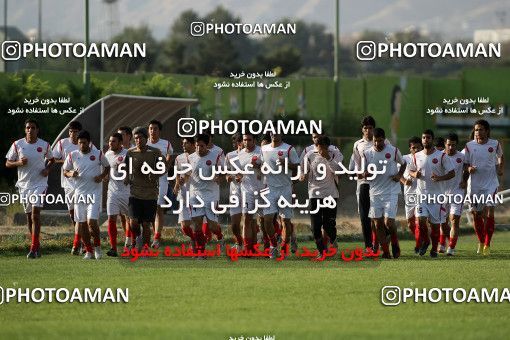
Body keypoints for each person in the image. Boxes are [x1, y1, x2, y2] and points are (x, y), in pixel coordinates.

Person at [5, 119, 54, 259]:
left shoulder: (44, 145)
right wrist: (19, 162)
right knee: (29, 217)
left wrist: (47, 170)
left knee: (35, 214)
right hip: (23, 185)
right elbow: (8, 163)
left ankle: (33, 248)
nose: (30, 130)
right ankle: (36, 245)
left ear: (37, 130)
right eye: (28, 128)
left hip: (40, 183)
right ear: (25, 130)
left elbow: (52, 160)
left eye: (33, 128)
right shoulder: (17, 144)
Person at [63, 130, 110, 260]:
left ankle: (98, 248)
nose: (82, 145)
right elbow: (65, 171)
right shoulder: (72, 155)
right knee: (82, 223)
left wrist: (101, 176)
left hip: (94, 193)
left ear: (89, 143)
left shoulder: (98, 154)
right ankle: (88, 251)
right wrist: (71, 174)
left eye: (84, 142)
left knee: (92, 222)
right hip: (79, 194)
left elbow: (107, 167)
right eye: (80, 143)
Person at [408, 129, 455, 258]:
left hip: (436, 196)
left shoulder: (441, 156)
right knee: (421, 221)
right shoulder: (416, 156)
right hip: (421, 195)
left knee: (435, 227)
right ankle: (426, 241)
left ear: (432, 140)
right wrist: (414, 174)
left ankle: (434, 249)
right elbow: (410, 170)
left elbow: (452, 173)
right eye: (424, 138)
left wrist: (439, 178)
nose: (425, 140)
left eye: (428, 138)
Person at [363, 128, 406, 259]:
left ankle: (395, 244)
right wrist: (366, 173)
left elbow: (403, 163)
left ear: (384, 139)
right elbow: (364, 172)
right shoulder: (367, 153)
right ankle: (386, 252)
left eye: (380, 141)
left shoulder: (393, 151)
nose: (377, 144)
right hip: (375, 192)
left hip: (391, 191)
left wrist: (399, 175)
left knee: (389, 222)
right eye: (375, 141)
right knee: (377, 224)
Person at [463, 119, 504, 255]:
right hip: (474, 186)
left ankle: (487, 244)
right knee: (476, 214)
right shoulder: (469, 145)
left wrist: (500, 169)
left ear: (487, 131)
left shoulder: (495, 144)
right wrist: (469, 169)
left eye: (480, 129)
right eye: (476, 130)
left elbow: (501, 157)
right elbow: (465, 164)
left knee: (489, 212)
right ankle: (481, 241)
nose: (478, 132)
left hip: (491, 184)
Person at [52, 120, 91, 255]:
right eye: (71, 131)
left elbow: (96, 156)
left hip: (82, 183)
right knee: (73, 214)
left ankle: (81, 244)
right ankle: (81, 240)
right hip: (68, 182)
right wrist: (68, 161)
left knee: (81, 214)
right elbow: (53, 159)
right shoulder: (62, 143)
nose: (73, 134)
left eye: (75, 132)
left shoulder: (87, 144)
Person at [301, 136, 342, 258]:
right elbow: (303, 169)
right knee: (315, 226)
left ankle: (333, 240)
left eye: (323, 147)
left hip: (331, 194)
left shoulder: (334, 153)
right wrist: (302, 175)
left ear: (327, 147)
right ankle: (321, 251)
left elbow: (338, 170)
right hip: (314, 194)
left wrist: (328, 158)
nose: (320, 150)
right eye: (318, 147)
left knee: (329, 225)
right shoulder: (309, 155)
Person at [260, 132, 300, 259]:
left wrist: (286, 163)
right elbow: (261, 165)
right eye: (271, 132)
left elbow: (298, 166)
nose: (274, 134)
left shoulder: (288, 149)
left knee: (286, 221)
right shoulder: (264, 148)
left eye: (276, 132)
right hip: (269, 188)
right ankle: (273, 246)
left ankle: (284, 246)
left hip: (285, 189)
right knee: (267, 219)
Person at [124, 127, 162, 251]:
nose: (138, 140)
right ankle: (138, 237)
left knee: (146, 224)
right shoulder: (130, 152)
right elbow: (126, 167)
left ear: (146, 139)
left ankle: (145, 249)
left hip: (150, 194)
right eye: (136, 138)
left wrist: (155, 173)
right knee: (133, 222)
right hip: (134, 193)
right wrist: (126, 177)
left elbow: (164, 169)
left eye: (140, 138)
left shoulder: (155, 152)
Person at [187, 134, 225, 258]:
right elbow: (187, 173)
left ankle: (220, 236)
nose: (199, 149)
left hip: (211, 194)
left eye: (202, 146)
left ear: (207, 145)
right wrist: (182, 179)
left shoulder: (216, 156)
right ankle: (201, 253)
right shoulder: (190, 158)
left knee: (212, 225)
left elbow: (223, 172)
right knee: (197, 224)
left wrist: (219, 177)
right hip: (195, 194)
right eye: (197, 146)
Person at [352, 116, 378, 251]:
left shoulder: (382, 142)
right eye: (365, 128)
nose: (368, 130)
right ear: (362, 130)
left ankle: (379, 241)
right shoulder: (358, 144)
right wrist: (361, 174)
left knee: (377, 217)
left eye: (370, 128)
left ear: (374, 129)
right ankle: (368, 246)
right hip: (363, 183)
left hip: (379, 184)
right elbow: (355, 166)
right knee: (364, 215)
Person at [146, 120, 173, 249]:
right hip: (146, 181)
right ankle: (147, 235)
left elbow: (169, 158)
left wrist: (165, 168)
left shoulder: (166, 144)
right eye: (151, 128)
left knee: (158, 208)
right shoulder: (144, 143)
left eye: (155, 129)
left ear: (159, 131)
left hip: (161, 179)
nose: (152, 131)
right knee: (148, 209)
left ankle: (156, 237)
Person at [440, 133, 466, 256]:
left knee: (454, 220)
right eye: (449, 144)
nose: (451, 147)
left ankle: (451, 247)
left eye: (453, 145)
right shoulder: (439, 156)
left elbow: (467, 168)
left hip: (457, 191)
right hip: (441, 192)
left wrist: (465, 180)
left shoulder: (462, 156)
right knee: (442, 221)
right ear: (445, 144)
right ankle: (443, 242)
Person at [104, 133, 130, 257]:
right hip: (112, 192)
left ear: (120, 143)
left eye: (113, 141)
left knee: (131, 219)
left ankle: (129, 243)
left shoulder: (128, 154)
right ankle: (113, 247)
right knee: (111, 219)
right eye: (110, 141)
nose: (110, 144)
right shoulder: (107, 155)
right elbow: (106, 170)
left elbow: (136, 169)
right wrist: (105, 176)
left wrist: (128, 175)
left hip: (127, 192)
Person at [238, 133, 264, 253]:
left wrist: (259, 166)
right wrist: (238, 176)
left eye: (249, 140)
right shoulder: (240, 153)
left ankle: (268, 247)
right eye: (244, 140)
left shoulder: (262, 151)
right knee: (247, 218)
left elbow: (270, 168)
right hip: (247, 190)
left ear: (254, 140)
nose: (246, 142)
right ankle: (247, 249)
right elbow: (240, 171)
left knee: (264, 220)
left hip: (262, 190)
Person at [400, 136, 423, 254]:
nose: (416, 150)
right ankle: (422, 239)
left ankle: (419, 244)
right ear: (410, 149)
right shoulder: (404, 158)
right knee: (410, 223)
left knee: (419, 219)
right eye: (414, 148)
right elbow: (396, 173)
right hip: (409, 193)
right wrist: (404, 181)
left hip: (422, 193)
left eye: (418, 147)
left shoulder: (425, 158)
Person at [173, 136, 196, 250]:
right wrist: (177, 184)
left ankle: (198, 248)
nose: (183, 145)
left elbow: (193, 172)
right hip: (183, 194)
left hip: (196, 194)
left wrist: (186, 178)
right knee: (184, 227)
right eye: (183, 143)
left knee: (198, 224)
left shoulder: (198, 157)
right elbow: (177, 173)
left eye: (186, 143)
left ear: (193, 144)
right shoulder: (179, 158)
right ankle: (195, 239)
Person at [225, 134, 244, 251]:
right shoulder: (230, 156)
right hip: (235, 192)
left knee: (249, 221)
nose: (241, 144)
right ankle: (240, 242)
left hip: (250, 191)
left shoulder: (252, 154)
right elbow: (226, 174)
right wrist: (230, 177)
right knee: (234, 224)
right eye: (239, 142)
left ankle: (248, 246)